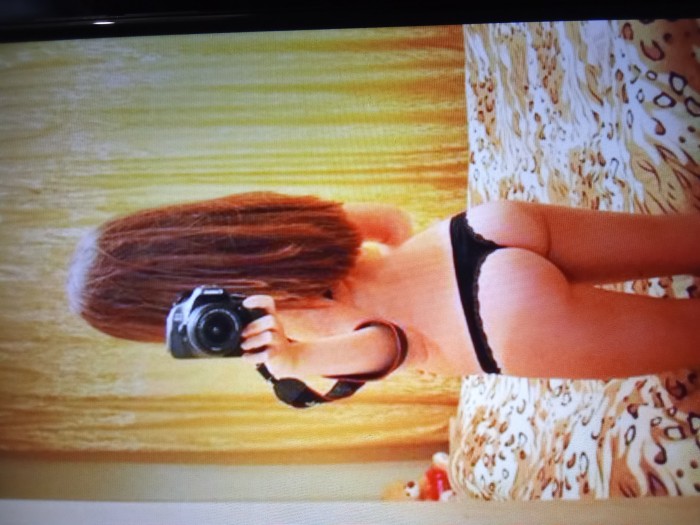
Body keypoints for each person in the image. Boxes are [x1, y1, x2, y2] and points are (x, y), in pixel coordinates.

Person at [67, 192, 700, 385]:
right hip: (481, 230)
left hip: (495, 320)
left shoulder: (277, 327)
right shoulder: (273, 229)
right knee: (682, 238)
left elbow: (388, 345)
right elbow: (392, 223)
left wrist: (297, 361)